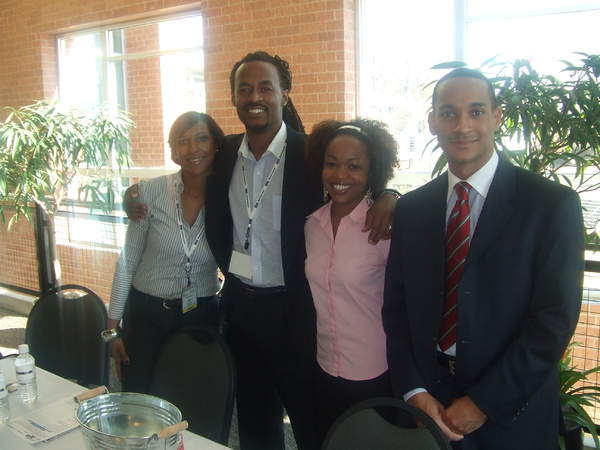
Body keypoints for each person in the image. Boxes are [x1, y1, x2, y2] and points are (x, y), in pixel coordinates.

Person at [124, 51, 397, 450]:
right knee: (254, 422)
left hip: (295, 313)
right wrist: (133, 195)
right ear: (234, 97)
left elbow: (356, 173)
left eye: (265, 87)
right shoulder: (223, 154)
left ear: (284, 94)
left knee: (310, 422)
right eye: (245, 88)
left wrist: (390, 195)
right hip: (241, 309)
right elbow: (185, 172)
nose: (255, 97)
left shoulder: (310, 153)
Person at [382, 67, 584, 450]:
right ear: (432, 122)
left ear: (497, 116)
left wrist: (484, 403)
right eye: (449, 113)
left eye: (476, 111)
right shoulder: (412, 209)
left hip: (511, 413)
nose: (462, 126)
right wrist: (413, 390)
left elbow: (554, 321)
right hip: (429, 405)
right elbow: (396, 309)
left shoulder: (549, 205)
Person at [104, 111, 224, 394]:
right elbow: (128, 261)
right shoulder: (149, 192)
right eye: (183, 141)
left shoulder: (228, 197)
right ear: (174, 151)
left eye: (202, 138)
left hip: (200, 315)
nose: (193, 149)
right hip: (146, 314)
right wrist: (112, 329)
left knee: (191, 397)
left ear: (216, 145)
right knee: (140, 398)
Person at [303, 118, 399, 443]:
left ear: (372, 171)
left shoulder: (383, 226)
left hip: (373, 371)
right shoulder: (312, 225)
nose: (340, 175)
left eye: (354, 166)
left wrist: (393, 195)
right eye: (331, 164)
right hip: (324, 366)